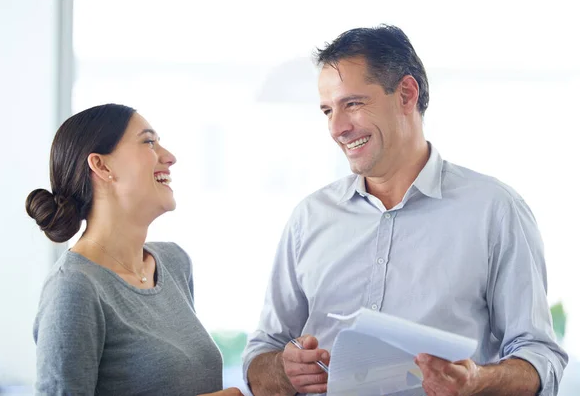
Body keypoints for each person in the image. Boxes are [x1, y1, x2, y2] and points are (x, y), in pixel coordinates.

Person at [242, 25, 568, 396]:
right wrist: (284, 370)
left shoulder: (496, 211)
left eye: (353, 104)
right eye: (327, 110)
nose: (337, 128)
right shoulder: (309, 217)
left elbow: (541, 358)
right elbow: (260, 356)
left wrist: (479, 381)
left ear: (406, 95)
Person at [27, 104, 242, 396]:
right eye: (149, 142)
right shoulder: (74, 288)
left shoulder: (173, 262)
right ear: (102, 166)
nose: (169, 157)